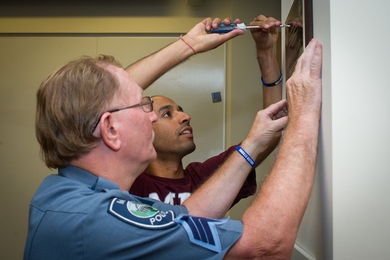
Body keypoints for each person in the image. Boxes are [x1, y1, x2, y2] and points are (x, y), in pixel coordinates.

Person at [24, 13, 323, 259]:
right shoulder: (96, 220)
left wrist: (188, 45)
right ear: (111, 130)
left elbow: (188, 215)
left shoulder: (61, 192)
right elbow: (264, 247)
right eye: (144, 105)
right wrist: (305, 111)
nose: (151, 115)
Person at [130, 15, 284, 206]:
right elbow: (109, 95)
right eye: (167, 114)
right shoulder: (128, 185)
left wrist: (265, 50)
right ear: (144, 131)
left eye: (181, 110)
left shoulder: (205, 178)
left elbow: (268, 134)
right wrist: (189, 44)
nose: (186, 117)